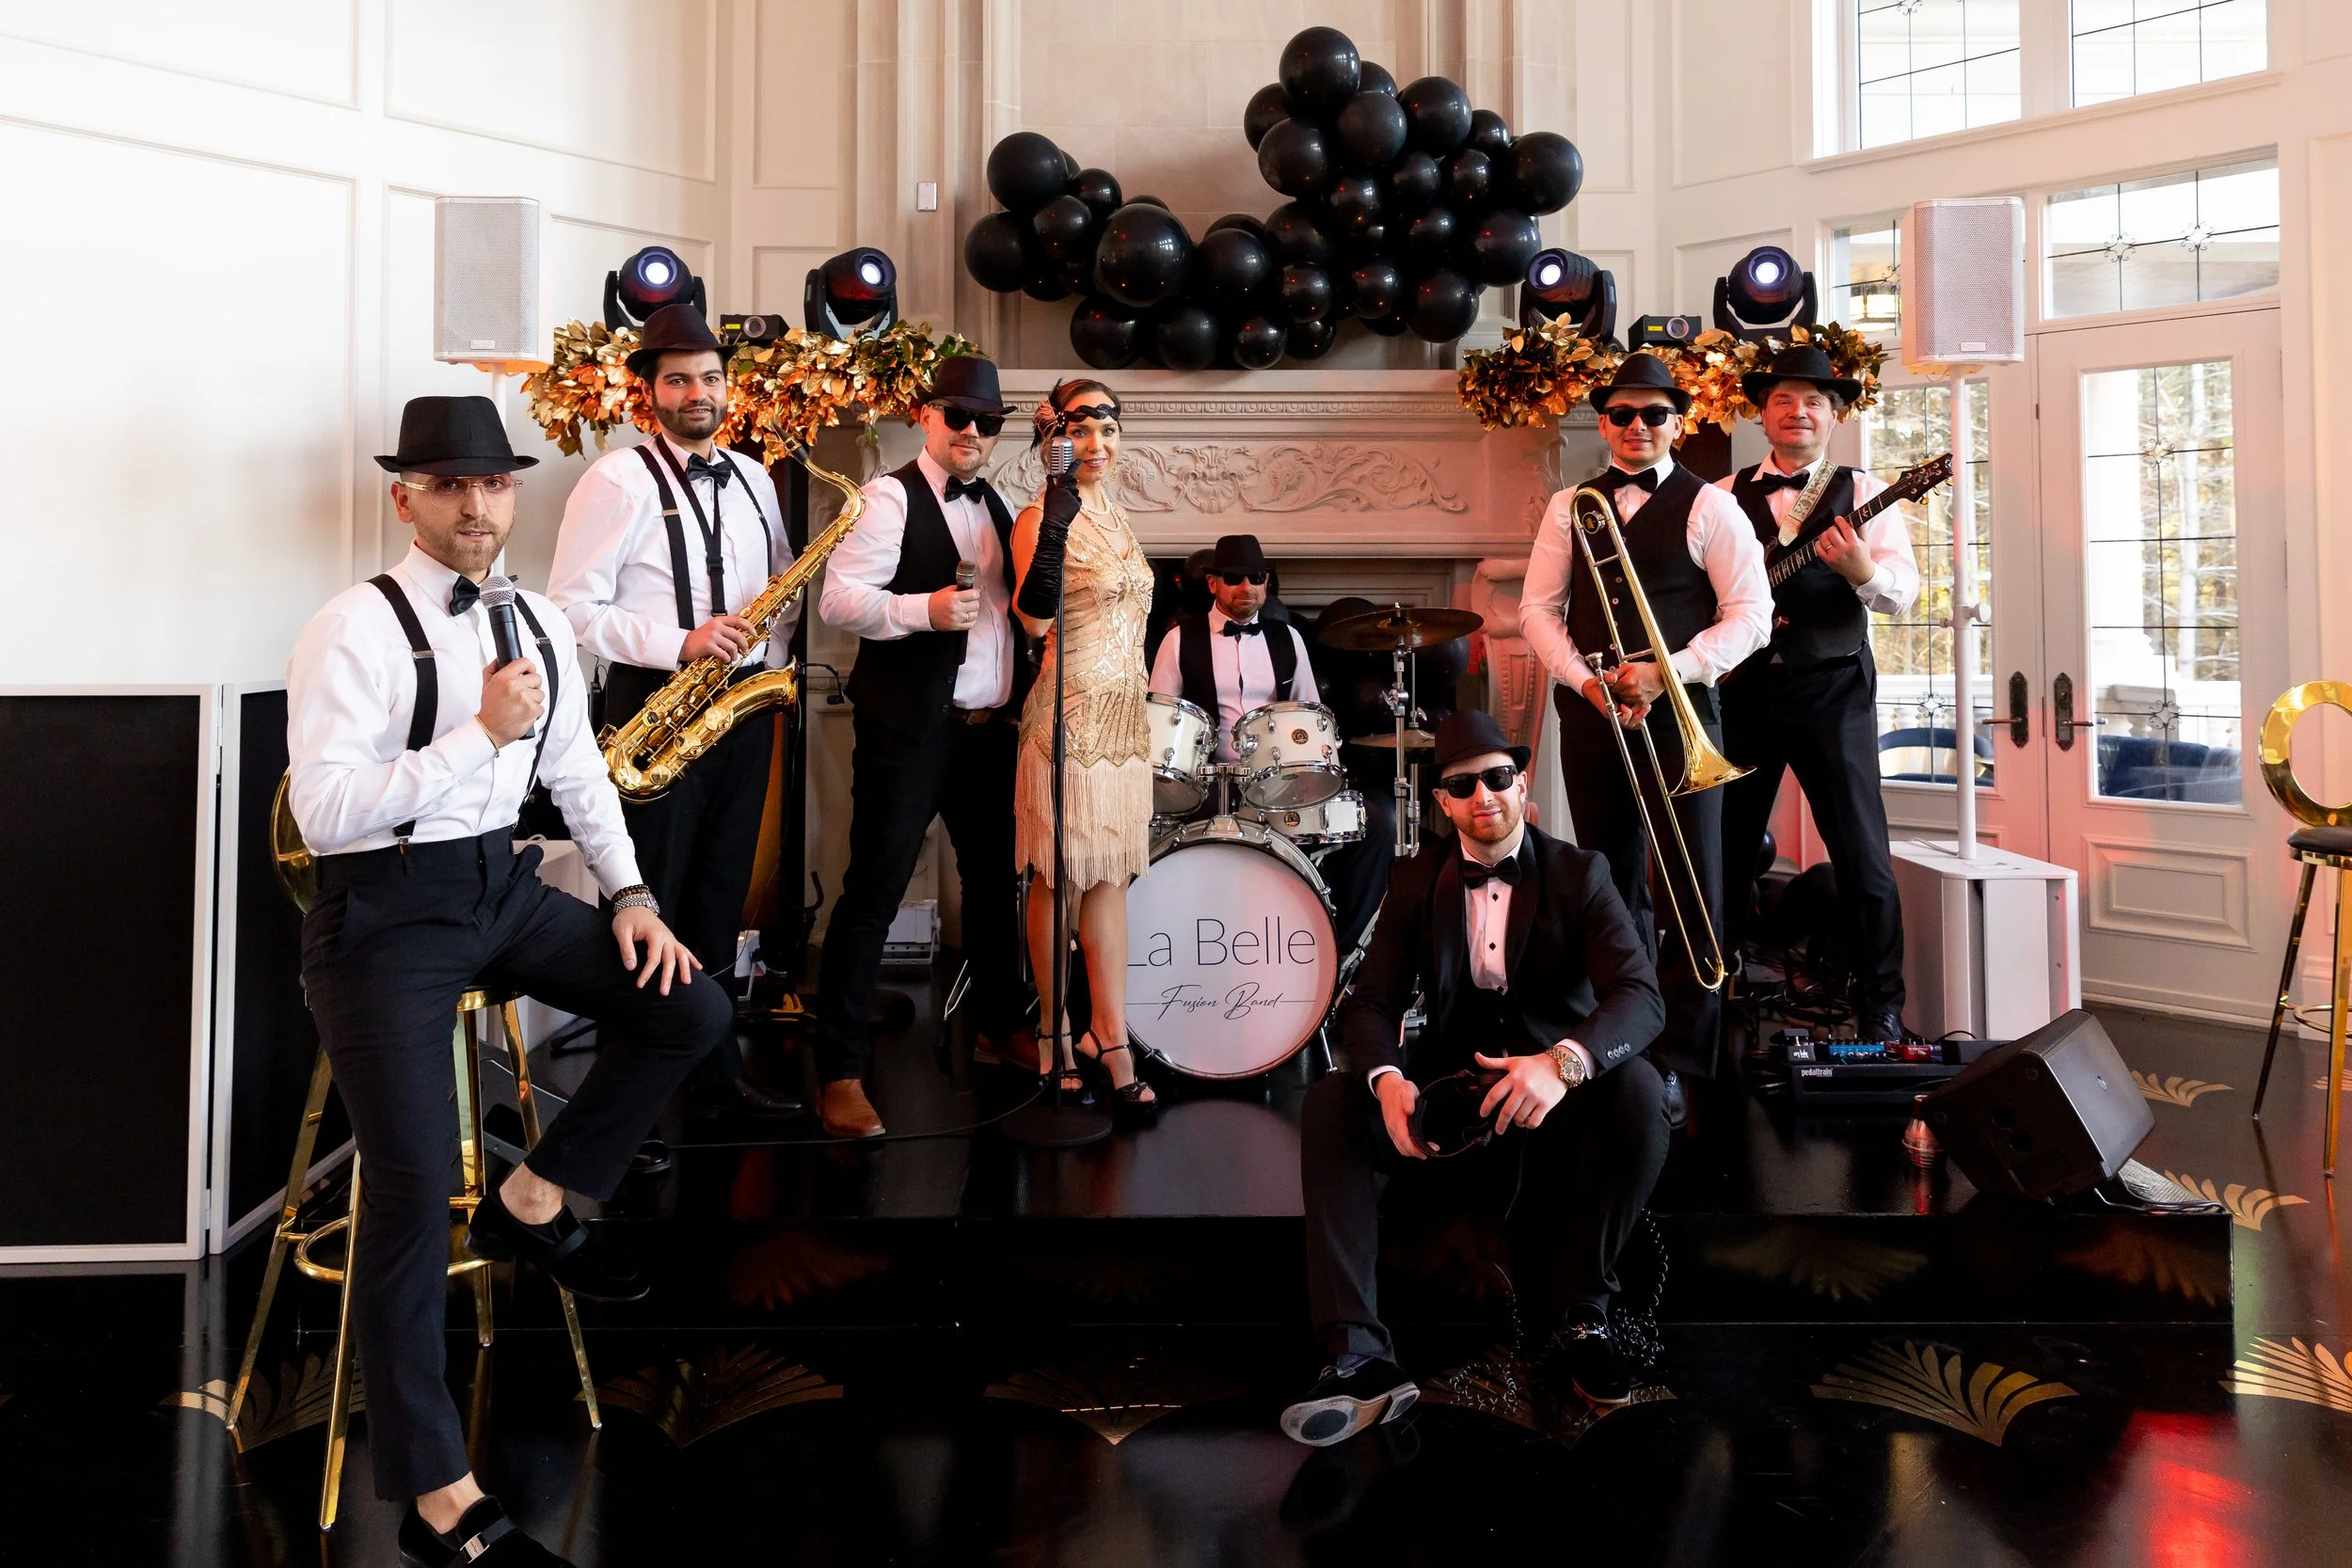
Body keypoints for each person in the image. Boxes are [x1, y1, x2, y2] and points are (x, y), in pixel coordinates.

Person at [287, 396, 729, 1566]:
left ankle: (536, 1198)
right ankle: (438, 1492)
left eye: (492, 484)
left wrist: (632, 898)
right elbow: (325, 813)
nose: (476, 504)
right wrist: (476, 737)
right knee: (411, 1183)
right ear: (406, 499)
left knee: (688, 1003)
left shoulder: (536, 613)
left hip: (501, 886)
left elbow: (579, 769)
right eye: (448, 485)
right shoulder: (351, 627)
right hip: (384, 914)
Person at [1283, 710, 1669, 1447]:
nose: (1485, 795)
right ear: (1444, 803)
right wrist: (1388, 1078)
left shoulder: (1580, 872)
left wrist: (1562, 1063)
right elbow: (1371, 1004)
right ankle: (1358, 1354)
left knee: (1641, 1091)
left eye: (1499, 778)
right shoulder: (1414, 878)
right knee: (1333, 1098)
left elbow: (1641, 997)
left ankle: (1585, 1311)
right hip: (1454, 1103)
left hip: (1557, 1103)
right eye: (1465, 785)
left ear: (1522, 784)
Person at [546, 302, 803, 1119]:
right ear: (649, 391)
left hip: (741, 706)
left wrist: (767, 655)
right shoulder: (615, 480)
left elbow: (780, 585)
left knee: (722, 893)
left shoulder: (757, 477)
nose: (699, 392)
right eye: (680, 378)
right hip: (657, 706)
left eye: (712, 377)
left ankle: (713, 1074)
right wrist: (681, 641)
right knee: (649, 897)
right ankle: (630, 1104)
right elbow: (569, 610)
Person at [1518, 352, 1771, 1110]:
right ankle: (1620, 1042)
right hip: (1597, 719)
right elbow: (1536, 611)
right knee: (1610, 880)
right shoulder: (1571, 505)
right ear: (1603, 423)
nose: (1637, 427)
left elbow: (1752, 616)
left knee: (1694, 888)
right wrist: (1588, 684)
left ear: (1678, 423)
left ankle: (1687, 1062)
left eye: (1654, 414)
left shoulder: (1711, 507)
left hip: (1681, 716)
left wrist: (1671, 672)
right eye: (1622, 414)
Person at [815, 354, 1031, 1135]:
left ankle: (998, 1025)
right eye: (958, 416)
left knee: (994, 890)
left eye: (988, 421)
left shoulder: (1002, 502)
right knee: (873, 893)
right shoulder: (885, 499)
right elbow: (838, 598)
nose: (972, 431)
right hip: (911, 730)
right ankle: (837, 1070)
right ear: (928, 417)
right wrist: (922, 609)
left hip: (988, 730)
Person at [1716, 344, 1918, 1041]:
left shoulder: (1866, 491)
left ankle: (1882, 1002)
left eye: (1814, 402)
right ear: (1762, 413)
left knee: (1862, 853)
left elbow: (1902, 597)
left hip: (1832, 688)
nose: (1797, 412)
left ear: (1833, 417)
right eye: (1783, 400)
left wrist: (1862, 568)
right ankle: (1716, 984)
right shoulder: (1720, 494)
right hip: (1741, 693)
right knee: (1725, 849)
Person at [1010, 378, 1158, 1115]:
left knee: (1109, 880)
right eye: (1082, 428)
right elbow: (1032, 623)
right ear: (1056, 437)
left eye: (1109, 427)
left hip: (1125, 722)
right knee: (1058, 878)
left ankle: (1111, 1031)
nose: (1098, 443)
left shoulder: (1123, 518)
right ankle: (1053, 1033)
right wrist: (1057, 512)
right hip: (1066, 720)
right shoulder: (1041, 513)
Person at [1147, 532, 1322, 768]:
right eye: (1233, 578)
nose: (1246, 587)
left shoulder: (1288, 638)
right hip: (1205, 783)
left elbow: (1309, 715)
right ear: (1212, 583)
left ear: (1266, 581)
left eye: (1256, 577)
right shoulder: (1178, 640)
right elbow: (1160, 724)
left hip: (1275, 783)